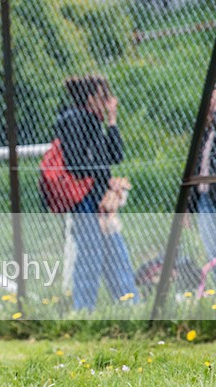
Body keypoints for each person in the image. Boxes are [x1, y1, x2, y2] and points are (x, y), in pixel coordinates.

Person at [56, 75, 139, 311]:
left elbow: (115, 155)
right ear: (91, 98)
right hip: (85, 200)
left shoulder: (94, 122)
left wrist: (112, 121)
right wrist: (102, 178)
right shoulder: (73, 121)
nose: (107, 101)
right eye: (103, 97)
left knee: (115, 249)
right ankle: (83, 311)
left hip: (100, 198)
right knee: (91, 253)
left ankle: (129, 305)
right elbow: (75, 164)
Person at [194, 82, 216, 294]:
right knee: (214, 250)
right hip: (206, 197)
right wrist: (189, 207)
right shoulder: (205, 131)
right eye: (212, 98)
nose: (214, 102)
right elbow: (195, 169)